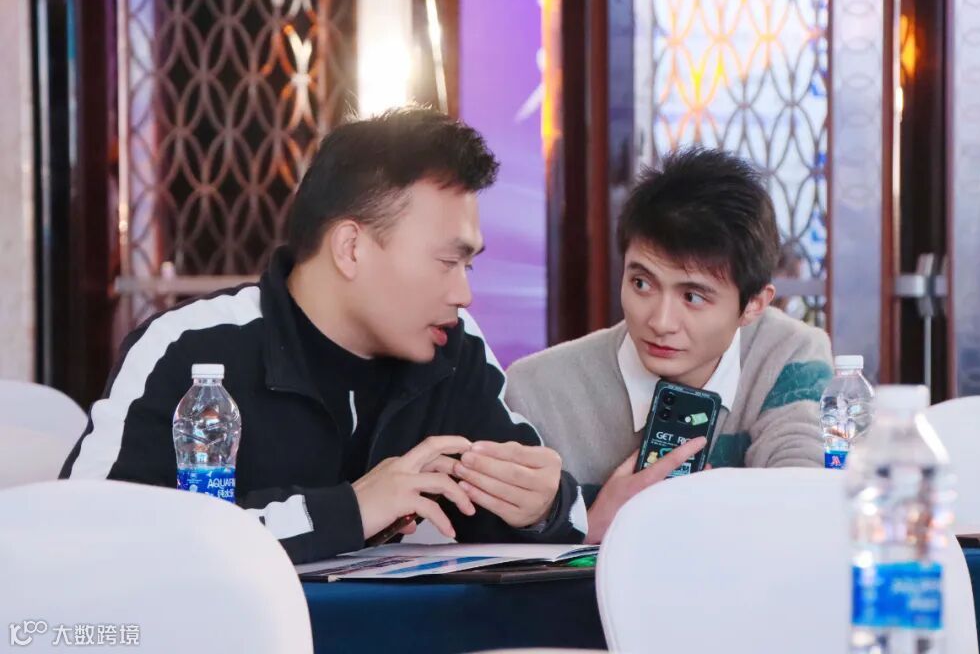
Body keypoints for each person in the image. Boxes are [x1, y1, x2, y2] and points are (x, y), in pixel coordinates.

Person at [61, 106, 586, 563]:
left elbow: (550, 518)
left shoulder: (454, 346)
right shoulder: (189, 348)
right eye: (448, 262)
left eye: (468, 266)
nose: (463, 294)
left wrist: (543, 507)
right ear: (350, 248)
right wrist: (347, 512)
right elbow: (84, 536)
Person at [506, 148, 832, 543]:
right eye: (641, 283)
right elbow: (499, 557)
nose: (660, 322)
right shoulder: (536, 390)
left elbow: (805, 505)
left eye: (692, 297)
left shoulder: (787, 355)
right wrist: (590, 527)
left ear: (754, 305)